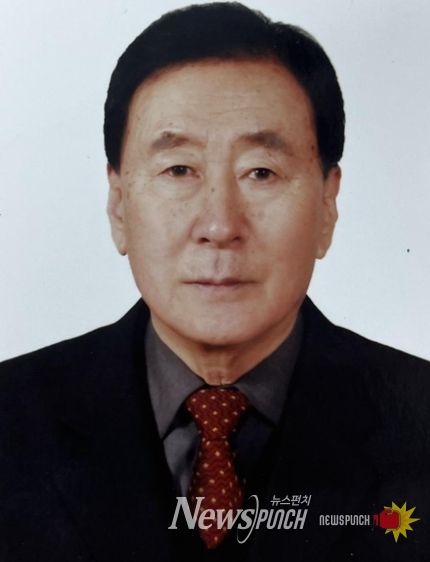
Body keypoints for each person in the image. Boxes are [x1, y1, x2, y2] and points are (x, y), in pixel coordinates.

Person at [0, 3, 429, 561]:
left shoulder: (417, 418)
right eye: (179, 170)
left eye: (261, 172)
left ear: (328, 205)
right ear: (119, 205)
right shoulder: (12, 419)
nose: (221, 226)